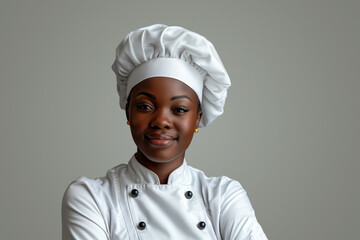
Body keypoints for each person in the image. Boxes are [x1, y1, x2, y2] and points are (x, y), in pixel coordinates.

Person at [62, 24, 267, 240]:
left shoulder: (224, 195)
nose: (161, 121)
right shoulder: (91, 197)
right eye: (145, 106)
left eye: (179, 109)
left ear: (197, 117)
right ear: (128, 111)